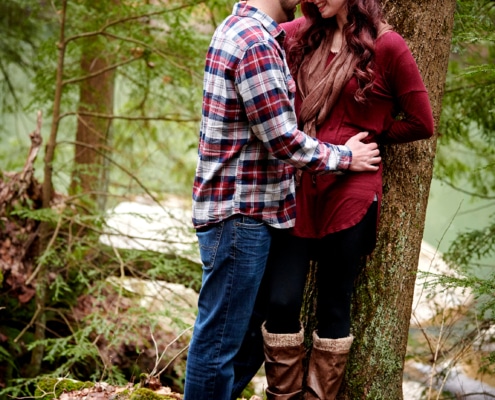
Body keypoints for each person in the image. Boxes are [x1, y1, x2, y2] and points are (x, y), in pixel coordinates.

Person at [233, 0, 435, 399]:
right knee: (282, 300)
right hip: (298, 185)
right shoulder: (296, 35)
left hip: (350, 191)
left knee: (333, 306)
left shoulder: (387, 46)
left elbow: (421, 121)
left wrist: (372, 136)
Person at [183, 1, 382, 399]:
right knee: (219, 344)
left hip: (250, 216)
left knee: (249, 335)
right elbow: (283, 140)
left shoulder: (244, 30)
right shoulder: (255, 42)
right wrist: (347, 157)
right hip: (240, 216)